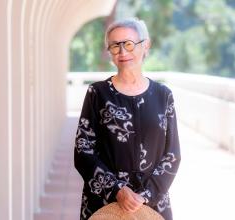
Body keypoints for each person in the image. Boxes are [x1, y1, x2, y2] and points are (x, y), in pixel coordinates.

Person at [74, 17, 181, 220]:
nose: (123, 52)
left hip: (152, 202)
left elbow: (172, 154)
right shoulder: (97, 93)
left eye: (129, 44)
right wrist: (118, 190)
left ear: (145, 46)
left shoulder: (163, 95)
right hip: (104, 202)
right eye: (115, 46)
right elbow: (83, 151)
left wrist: (145, 196)